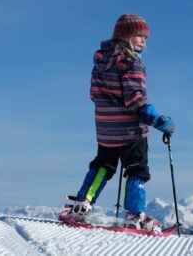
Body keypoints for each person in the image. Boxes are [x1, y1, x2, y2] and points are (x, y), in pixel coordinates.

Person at [66, 14, 175, 233]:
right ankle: (134, 215)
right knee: (137, 169)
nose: (143, 40)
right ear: (125, 36)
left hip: (106, 129)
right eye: (139, 35)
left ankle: (82, 204)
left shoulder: (100, 61)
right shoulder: (132, 62)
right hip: (131, 132)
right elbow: (136, 99)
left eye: (145, 37)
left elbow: (93, 94)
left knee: (103, 166)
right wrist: (159, 120)